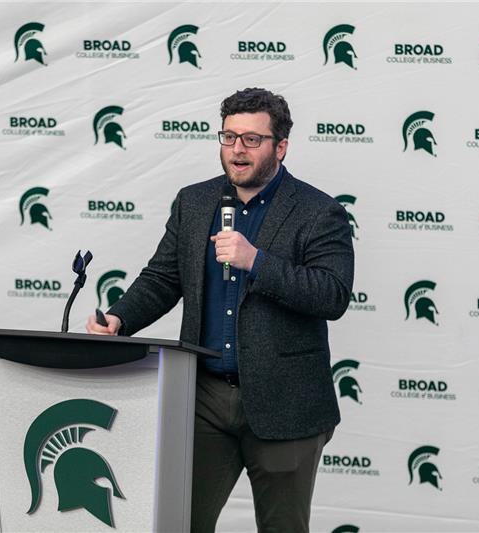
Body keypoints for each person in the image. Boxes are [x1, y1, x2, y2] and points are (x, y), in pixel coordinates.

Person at [86, 87, 354, 532]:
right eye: (229, 137)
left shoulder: (319, 212)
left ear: (280, 146)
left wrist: (257, 262)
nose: (237, 150)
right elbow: (163, 277)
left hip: (285, 401)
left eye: (252, 139)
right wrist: (120, 318)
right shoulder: (195, 202)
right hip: (203, 398)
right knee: (179, 523)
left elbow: (332, 295)